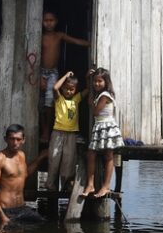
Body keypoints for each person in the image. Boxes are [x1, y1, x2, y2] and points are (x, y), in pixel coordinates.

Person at [40, 11, 90, 143]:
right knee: (39, 102)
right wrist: (39, 77)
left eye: (51, 20)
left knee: (50, 101)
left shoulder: (59, 35)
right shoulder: (39, 37)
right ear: (41, 21)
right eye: (46, 20)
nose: (48, 23)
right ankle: (44, 129)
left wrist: (90, 43)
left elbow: (75, 41)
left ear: (56, 22)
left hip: (53, 72)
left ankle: (46, 131)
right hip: (40, 72)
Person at [0, 124, 48, 225]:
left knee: (43, 224)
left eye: (18, 139)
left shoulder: (21, 155)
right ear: (5, 139)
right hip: (6, 211)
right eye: (12, 139)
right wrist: (1, 216)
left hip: (22, 208)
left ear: (23, 140)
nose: (15, 143)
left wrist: (40, 158)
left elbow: (24, 175)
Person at [81, 68, 125, 198]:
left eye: (99, 81)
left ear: (106, 82)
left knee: (108, 155)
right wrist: (88, 81)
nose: (96, 84)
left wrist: (91, 93)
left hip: (106, 127)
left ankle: (105, 186)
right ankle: (91, 185)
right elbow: (90, 103)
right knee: (91, 154)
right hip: (100, 126)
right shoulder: (98, 95)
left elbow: (94, 111)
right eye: (95, 81)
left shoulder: (105, 95)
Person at [46, 71, 88, 192]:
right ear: (63, 88)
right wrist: (65, 76)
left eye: (72, 89)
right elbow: (55, 87)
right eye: (66, 89)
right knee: (54, 158)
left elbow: (87, 90)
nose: (69, 91)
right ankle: (51, 186)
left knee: (68, 161)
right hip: (57, 133)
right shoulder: (59, 99)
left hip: (71, 134)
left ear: (75, 90)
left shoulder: (76, 99)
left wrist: (87, 77)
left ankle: (66, 186)